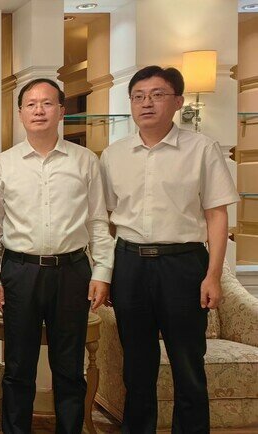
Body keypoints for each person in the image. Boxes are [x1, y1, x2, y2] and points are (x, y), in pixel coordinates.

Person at [100, 66, 238, 433]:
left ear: (177, 101)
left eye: (157, 94)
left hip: (183, 265)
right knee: (137, 366)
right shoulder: (114, 155)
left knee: (187, 363)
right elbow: (108, 218)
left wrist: (213, 276)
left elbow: (217, 216)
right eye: (138, 96)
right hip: (129, 264)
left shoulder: (201, 148)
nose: (147, 103)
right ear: (130, 103)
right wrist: (110, 271)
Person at [0, 78, 115, 433]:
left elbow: (98, 221)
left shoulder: (85, 161)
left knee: (69, 367)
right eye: (30, 104)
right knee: (18, 367)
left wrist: (102, 272)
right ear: (20, 113)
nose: (38, 110)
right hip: (19, 272)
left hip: (72, 272)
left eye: (47, 103)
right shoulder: (3, 164)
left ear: (61, 110)